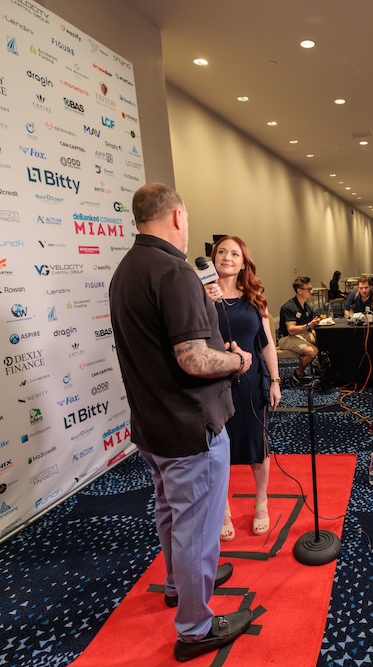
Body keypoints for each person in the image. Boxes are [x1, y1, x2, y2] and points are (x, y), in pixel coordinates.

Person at [109, 183, 253, 661]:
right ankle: (195, 627)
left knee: (170, 513)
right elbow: (193, 359)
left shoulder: (126, 270)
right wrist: (237, 362)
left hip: (153, 425)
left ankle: (178, 584)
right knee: (197, 529)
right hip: (191, 428)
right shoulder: (173, 271)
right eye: (186, 218)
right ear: (176, 217)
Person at [208, 236, 281, 541]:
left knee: (256, 445)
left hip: (251, 384)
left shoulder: (254, 299)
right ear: (214, 259)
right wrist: (203, 298)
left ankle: (261, 501)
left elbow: (267, 345)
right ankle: (222, 508)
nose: (227, 257)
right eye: (222, 252)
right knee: (217, 448)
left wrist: (275, 381)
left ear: (243, 263)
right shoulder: (201, 296)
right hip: (214, 385)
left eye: (235, 254)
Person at [277, 276, 321, 384]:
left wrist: (313, 330)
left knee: (325, 340)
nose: (311, 291)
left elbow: (310, 326)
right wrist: (309, 326)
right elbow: (291, 330)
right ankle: (297, 374)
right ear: (299, 291)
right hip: (286, 338)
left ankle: (320, 367)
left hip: (302, 334)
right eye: (308, 289)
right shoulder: (288, 307)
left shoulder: (307, 306)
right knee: (313, 352)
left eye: (311, 288)